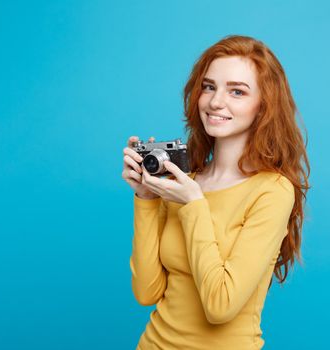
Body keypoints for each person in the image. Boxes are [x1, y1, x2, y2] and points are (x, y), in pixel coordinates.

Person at [121, 34, 310, 350]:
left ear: (264, 105)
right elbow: (146, 292)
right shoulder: (185, 181)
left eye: (237, 91)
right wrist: (147, 198)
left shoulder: (272, 191)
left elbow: (220, 305)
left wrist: (194, 203)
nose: (216, 101)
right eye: (209, 87)